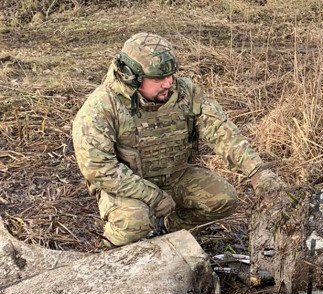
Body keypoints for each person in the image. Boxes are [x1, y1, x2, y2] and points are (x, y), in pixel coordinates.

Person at [72, 32, 282, 246]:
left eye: (171, 75)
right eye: (158, 78)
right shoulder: (101, 108)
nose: (168, 83)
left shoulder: (185, 93)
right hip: (127, 186)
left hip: (175, 176)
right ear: (131, 75)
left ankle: (167, 230)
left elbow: (221, 131)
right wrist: (152, 196)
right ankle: (113, 253)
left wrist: (258, 171)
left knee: (223, 199)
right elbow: (98, 168)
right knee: (134, 223)